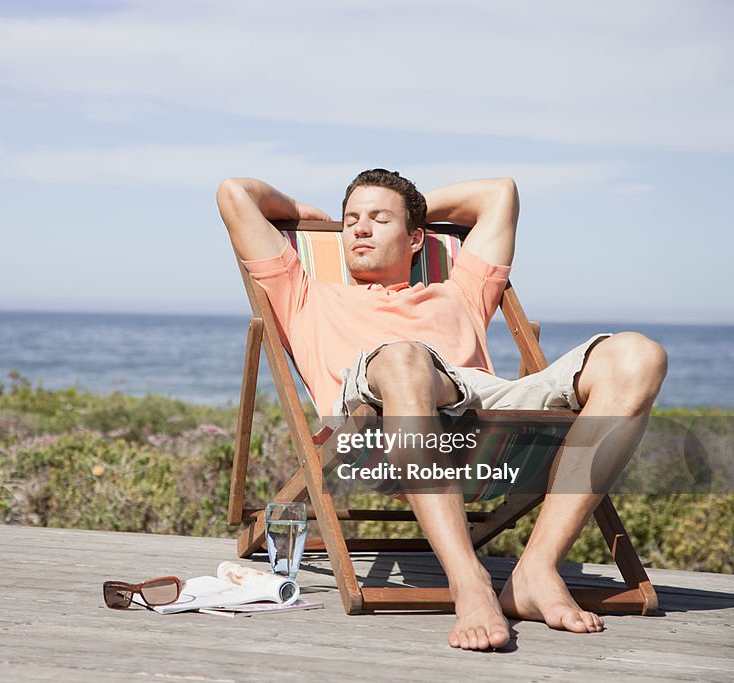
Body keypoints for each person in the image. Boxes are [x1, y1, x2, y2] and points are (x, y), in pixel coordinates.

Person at [216, 170, 668, 651]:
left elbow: (499, 194)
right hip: (376, 413)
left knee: (639, 355)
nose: (359, 229)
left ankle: (536, 569)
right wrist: (305, 214)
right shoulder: (303, 292)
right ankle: (469, 582)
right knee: (404, 356)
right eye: (351, 221)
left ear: (417, 238)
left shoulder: (461, 289)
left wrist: (408, 207)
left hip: (483, 409)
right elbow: (234, 194)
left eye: (378, 220)